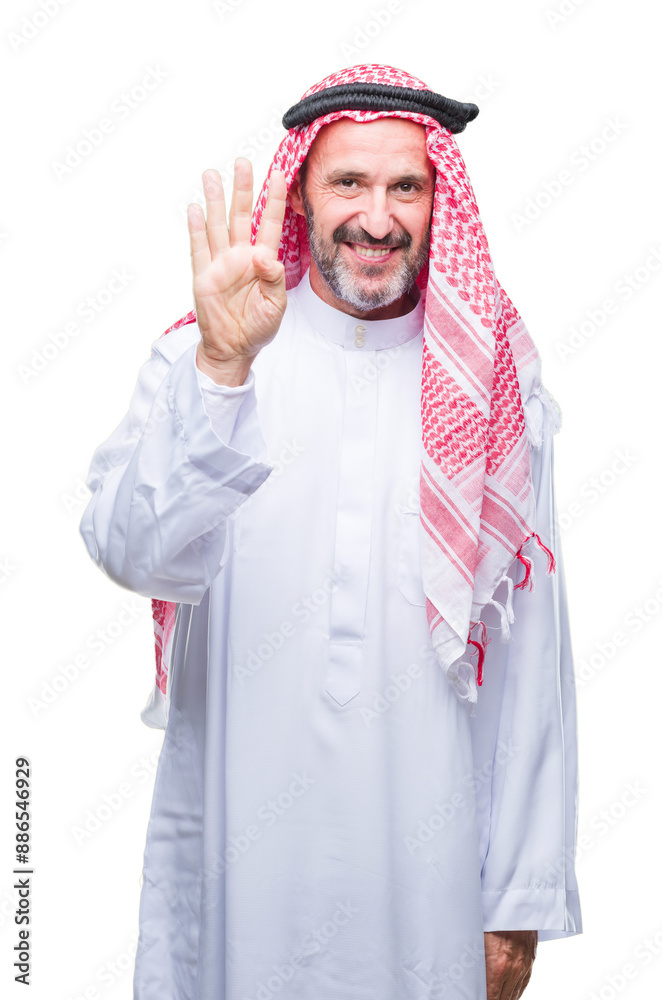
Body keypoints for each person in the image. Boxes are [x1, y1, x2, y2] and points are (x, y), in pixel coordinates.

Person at [80, 64, 582, 1000]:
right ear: (303, 191)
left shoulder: (494, 388)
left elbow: (531, 657)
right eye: (348, 182)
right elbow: (132, 551)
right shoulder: (209, 357)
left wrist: (517, 897)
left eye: (407, 186)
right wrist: (225, 368)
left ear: (441, 202)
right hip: (238, 862)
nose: (378, 217)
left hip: (423, 881)